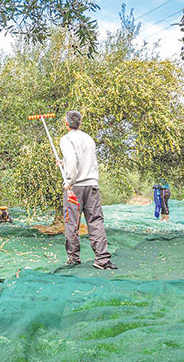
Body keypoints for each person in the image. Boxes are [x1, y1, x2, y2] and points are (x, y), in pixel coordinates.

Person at [58, 110, 117, 270]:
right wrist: (63, 163)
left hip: (76, 187)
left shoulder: (67, 139)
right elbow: (84, 161)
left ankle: (73, 258)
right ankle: (102, 259)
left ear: (66, 123)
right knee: (96, 221)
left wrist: (69, 182)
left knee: (71, 222)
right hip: (92, 185)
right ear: (80, 123)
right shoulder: (88, 138)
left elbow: (72, 160)